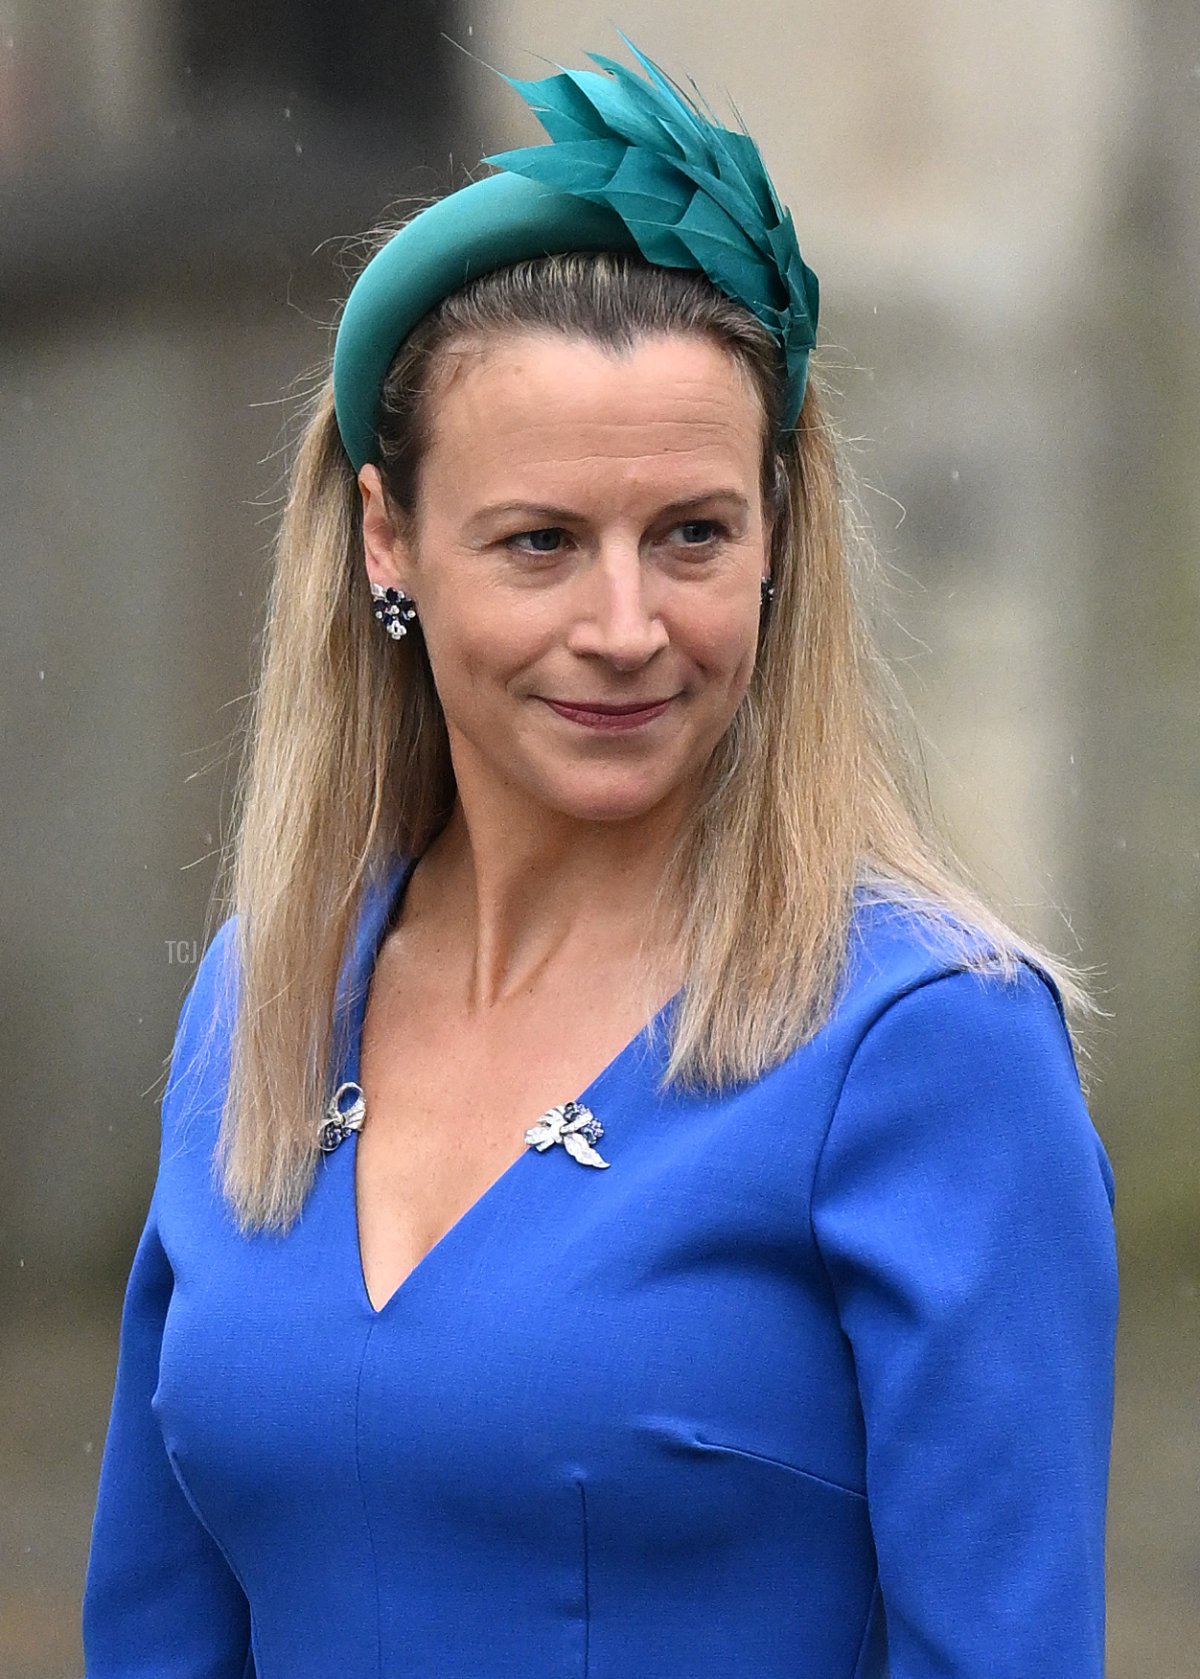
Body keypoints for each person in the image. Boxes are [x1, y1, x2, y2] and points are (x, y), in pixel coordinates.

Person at [82, 32, 1118, 1679]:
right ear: (387, 540)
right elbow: (157, 1627)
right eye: (542, 542)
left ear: (777, 538)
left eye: (692, 535)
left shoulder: (928, 1048)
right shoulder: (257, 1001)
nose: (626, 628)